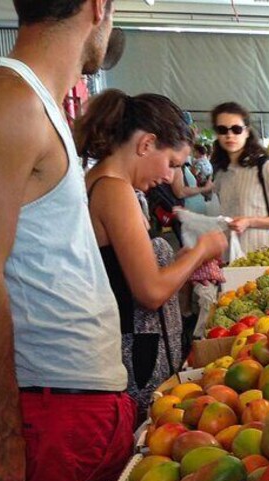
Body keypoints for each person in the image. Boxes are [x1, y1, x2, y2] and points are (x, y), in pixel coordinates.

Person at [0, 0, 131, 481]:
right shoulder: (5, 96)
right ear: (98, 6)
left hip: (77, 405)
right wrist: (2, 426)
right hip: (48, 410)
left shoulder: (39, 100)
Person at [75, 90, 228, 420]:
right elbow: (151, 291)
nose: (170, 176)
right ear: (146, 144)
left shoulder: (101, 183)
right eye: (172, 163)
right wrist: (201, 249)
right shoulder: (114, 190)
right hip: (132, 358)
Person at [211, 101, 269, 252]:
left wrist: (250, 222)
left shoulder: (266, 168)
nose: (229, 135)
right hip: (231, 254)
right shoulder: (221, 173)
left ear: (247, 132)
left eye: (236, 129)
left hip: (263, 254)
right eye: (222, 130)